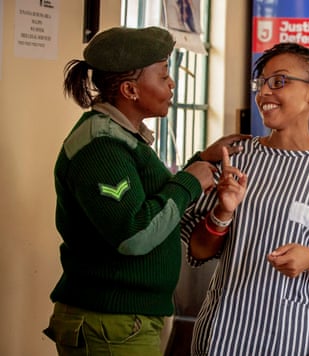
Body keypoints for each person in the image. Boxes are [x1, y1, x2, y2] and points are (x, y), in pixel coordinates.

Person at [43, 26, 248, 356]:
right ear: (130, 89)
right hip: (110, 324)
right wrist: (190, 182)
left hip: (127, 321)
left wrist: (201, 161)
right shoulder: (102, 147)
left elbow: (144, 196)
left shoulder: (123, 137)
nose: (172, 84)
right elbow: (134, 233)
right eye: (163, 75)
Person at [180, 42, 309, 356]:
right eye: (261, 83)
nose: (264, 92)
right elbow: (198, 251)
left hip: (295, 338)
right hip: (222, 335)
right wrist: (222, 213)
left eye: (279, 81)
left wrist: (308, 258)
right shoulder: (238, 156)